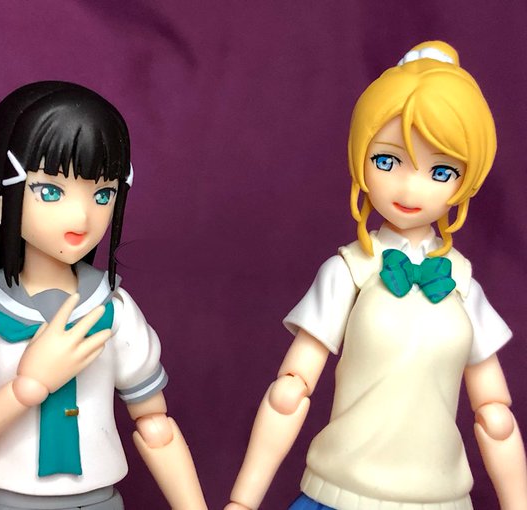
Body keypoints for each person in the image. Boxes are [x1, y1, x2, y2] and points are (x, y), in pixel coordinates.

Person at [0, 81, 206, 510]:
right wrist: (24, 389)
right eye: (50, 191)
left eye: (102, 194)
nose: (82, 217)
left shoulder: (114, 308)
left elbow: (156, 427)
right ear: (3, 202)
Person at [226, 41, 527, 510]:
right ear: (361, 158)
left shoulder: (462, 283)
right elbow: (290, 392)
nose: (410, 187)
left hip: (440, 497)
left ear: (466, 180)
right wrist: (243, 501)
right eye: (387, 160)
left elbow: (496, 418)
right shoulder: (349, 271)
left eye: (441, 170)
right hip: (340, 491)